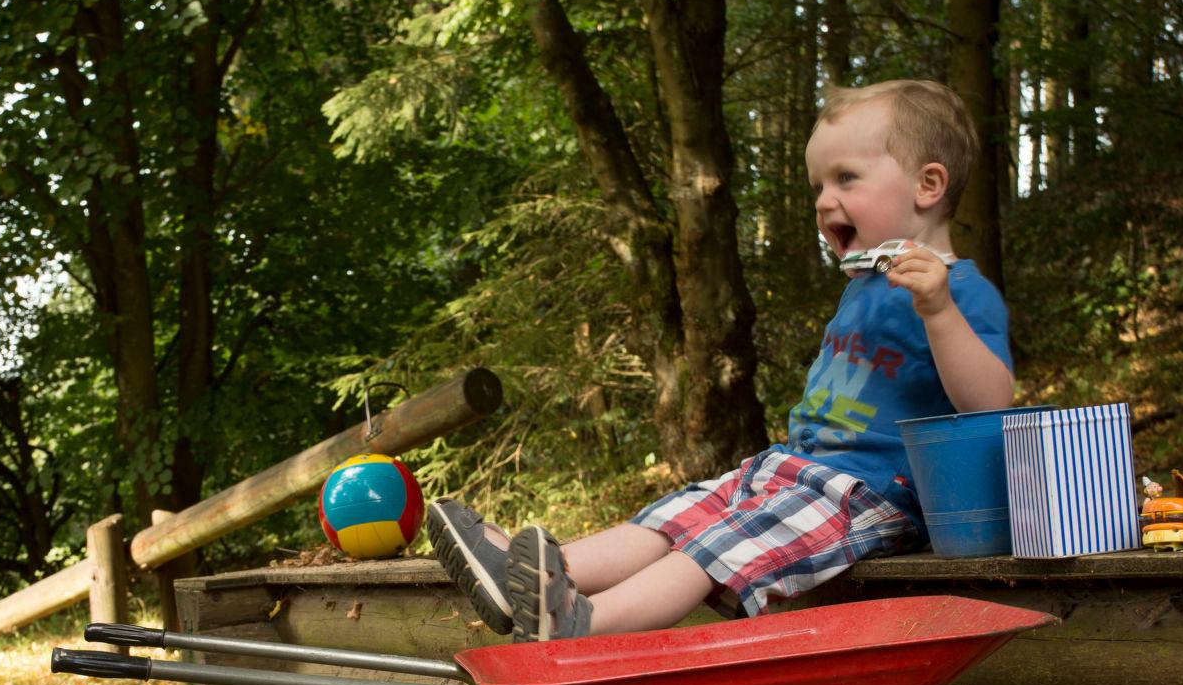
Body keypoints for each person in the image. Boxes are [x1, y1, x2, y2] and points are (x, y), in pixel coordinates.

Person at [429, 78, 1015, 641]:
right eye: (817, 186)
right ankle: (524, 576)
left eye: (845, 178)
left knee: (715, 546)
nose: (823, 201)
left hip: (871, 495)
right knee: (678, 515)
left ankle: (582, 621)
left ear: (928, 185)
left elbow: (989, 402)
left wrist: (938, 310)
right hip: (793, 469)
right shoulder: (866, 285)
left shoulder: (959, 291)